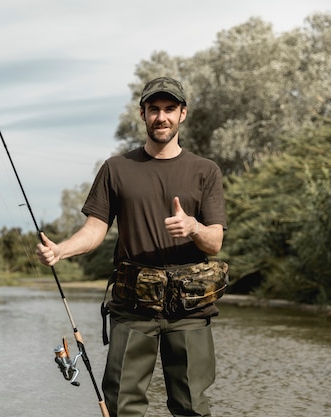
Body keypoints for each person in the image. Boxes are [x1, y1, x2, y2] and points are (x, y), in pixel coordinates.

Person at [36, 76, 227, 417]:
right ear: (142, 114)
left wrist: (193, 226)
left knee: (192, 407)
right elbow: (95, 230)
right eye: (154, 109)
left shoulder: (205, 171)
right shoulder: (116, 169)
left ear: (183, 114)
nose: (162, 117)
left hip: (189, 312)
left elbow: (214, 242)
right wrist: (61, 250)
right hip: (133, 307)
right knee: (122, 405)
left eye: (170, 109)